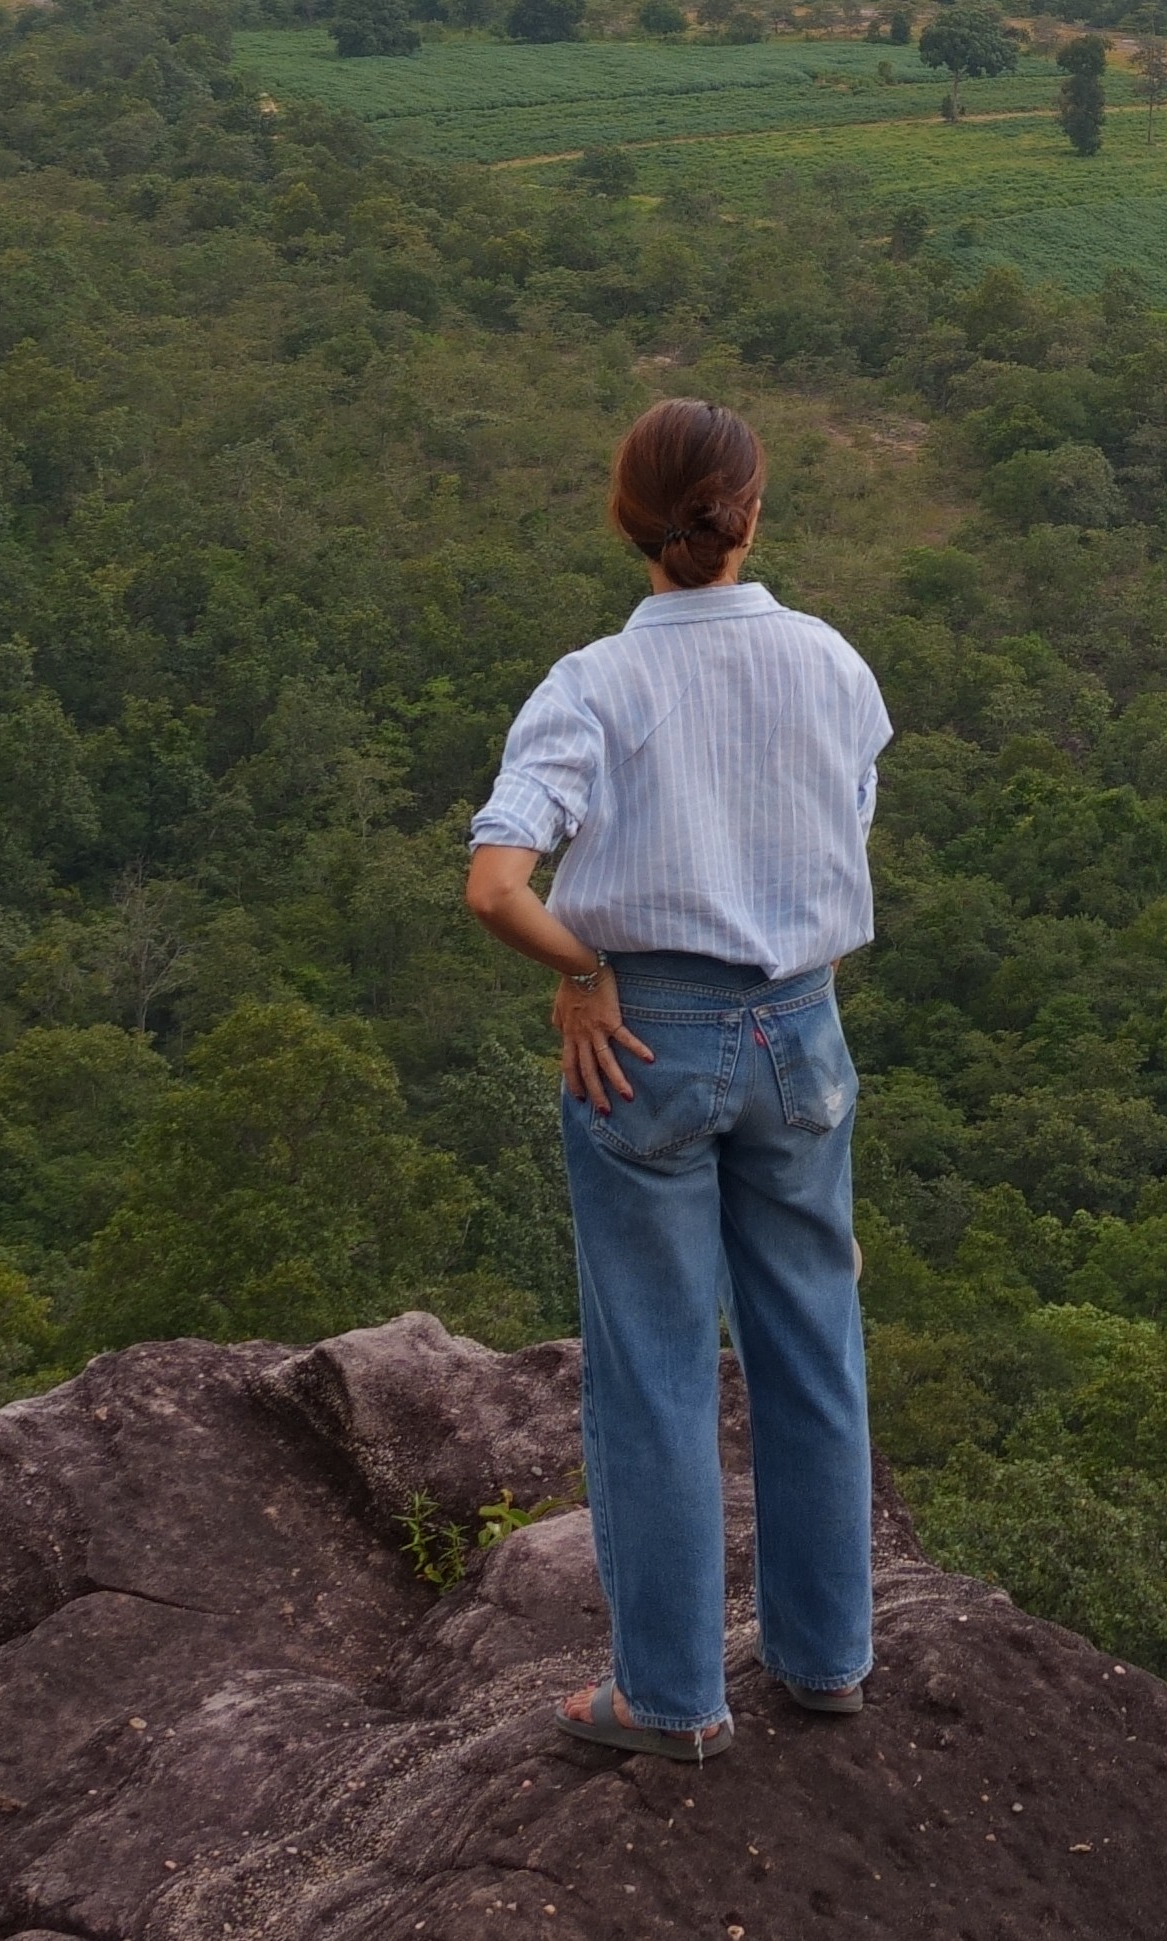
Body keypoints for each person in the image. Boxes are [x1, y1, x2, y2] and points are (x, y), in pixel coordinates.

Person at [460, 398, 892, 1761]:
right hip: (803, 1029)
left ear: (627, 520)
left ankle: (669, 1694)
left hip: (647, 1036)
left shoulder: (596, 682)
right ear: (751, 511)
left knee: (656, 1367)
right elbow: (833, 847)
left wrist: (582, 969)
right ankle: (827, 1659)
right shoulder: (832, 662)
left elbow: (494, 884)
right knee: (813, 1339)